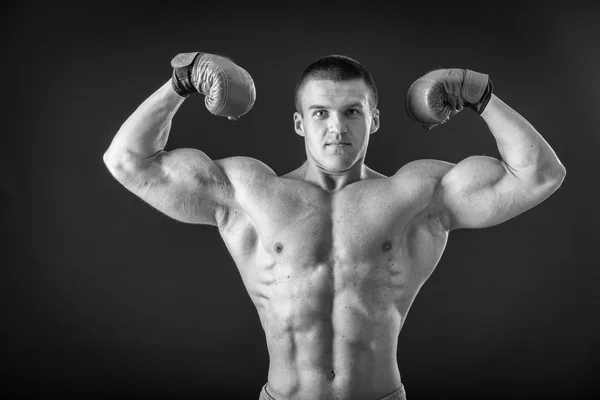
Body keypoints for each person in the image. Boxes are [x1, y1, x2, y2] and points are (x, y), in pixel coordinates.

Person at [103, 52, 566, 400]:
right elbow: (127, 160)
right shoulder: (249, 192)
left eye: (352, 112)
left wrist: (479, 95)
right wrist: (181, 80)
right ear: (300, 123)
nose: (336, 127)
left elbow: (539, 173)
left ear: (374, 119)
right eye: (320, 113)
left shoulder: (416, 193)